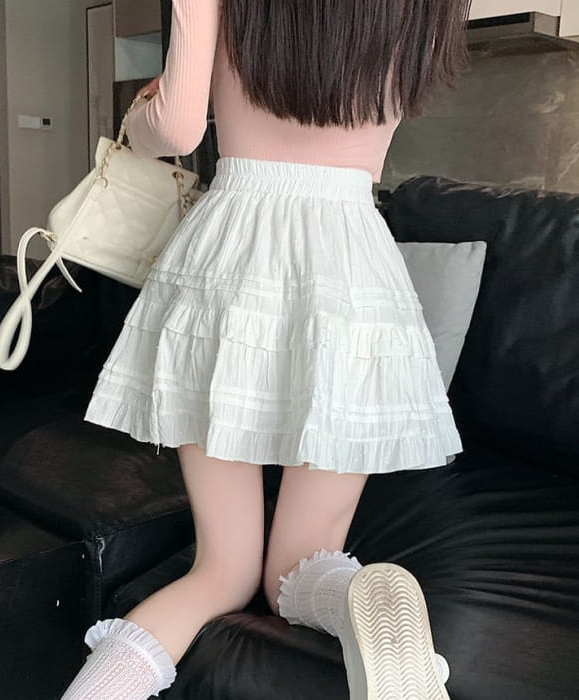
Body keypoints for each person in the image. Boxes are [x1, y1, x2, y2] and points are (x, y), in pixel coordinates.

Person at [62, 1, 471, 698]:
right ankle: (362, 602)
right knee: (300, 567)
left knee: (218, 572)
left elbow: (178, 128)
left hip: (231, 250)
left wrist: (142, 118)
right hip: (351, 258)